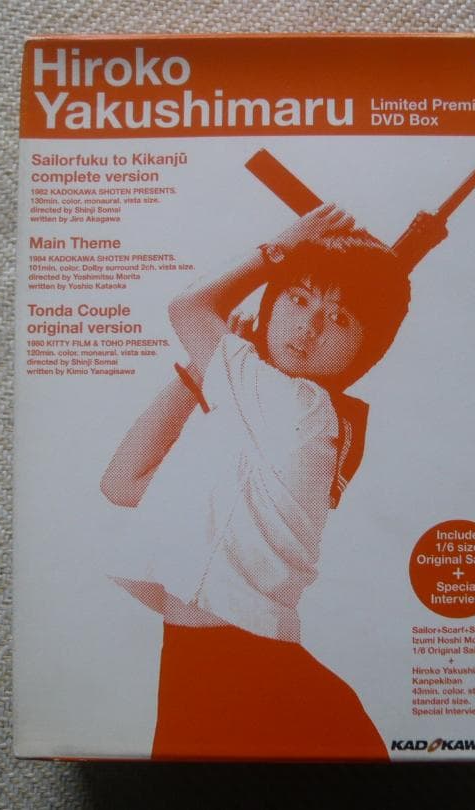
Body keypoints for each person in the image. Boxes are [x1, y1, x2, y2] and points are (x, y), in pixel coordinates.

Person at [100, 203, 412, 760]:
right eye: (299, 299)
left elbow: (189, 307)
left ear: (363, 352)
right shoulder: (251, 428)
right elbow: (123, 481)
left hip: (242, 672)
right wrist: (201, 369)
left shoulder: (299, 407)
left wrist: (281, 247)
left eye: (340, 320)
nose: (309, 328)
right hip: (210, 668)